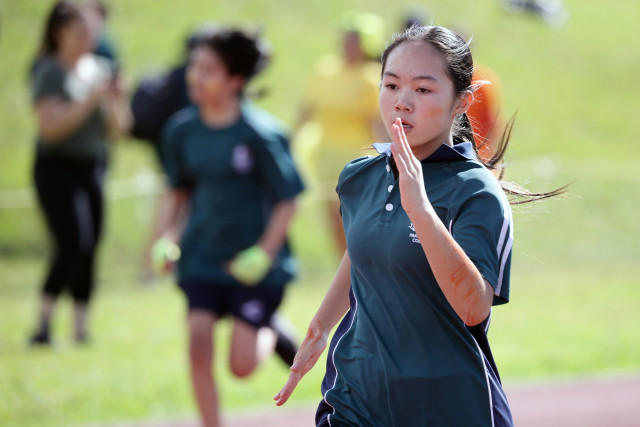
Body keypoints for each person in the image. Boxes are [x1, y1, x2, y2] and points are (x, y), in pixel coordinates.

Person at [275, 25, 563, 426]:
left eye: (423, 89)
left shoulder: (475, 191)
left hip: (446, 407)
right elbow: (362, 251)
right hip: (356, 399)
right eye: (391, 85)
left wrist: (421, 211)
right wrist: (321, 327)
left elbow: (473, 308)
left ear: (461, 101)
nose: (402, 102)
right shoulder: (359, 176)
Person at [152, 26, 304, 427]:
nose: (195, 77)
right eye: (194, 67)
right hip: (202, 257)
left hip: (255, 266)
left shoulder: (262, 134)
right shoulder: (181, 131)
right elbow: (177, 191)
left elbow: (289, 199)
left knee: (241, 367)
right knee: (198, 346)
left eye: (208, 70)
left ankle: (269, 326)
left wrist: (263, 254)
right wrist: (165, 238)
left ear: (236, 80)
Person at [28, 0, 131, 345]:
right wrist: (90, 99)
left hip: (93, 167)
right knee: (72, 243)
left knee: (91, 246)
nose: (89, 38)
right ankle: (43, 325)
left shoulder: (102, 68)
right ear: (60, 33)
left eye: (91, 31)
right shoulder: (49, 70)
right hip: (57, 168)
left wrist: (114, 100)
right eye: (80, 31)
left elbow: (119, 130)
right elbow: (50, 129)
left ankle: (81, 329)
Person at [294, 11, 386, 256]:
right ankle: (344, 272)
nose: (348, 44)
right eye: (347, 38)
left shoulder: (371, 76)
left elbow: (376, 123)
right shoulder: (325, 70)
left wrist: (388, 154)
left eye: (355, 39)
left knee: (353, 218)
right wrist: (292, 142)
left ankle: (360, 269)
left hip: (357, 159)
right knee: (333, 220)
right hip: (326, 157)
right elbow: (307, 110)